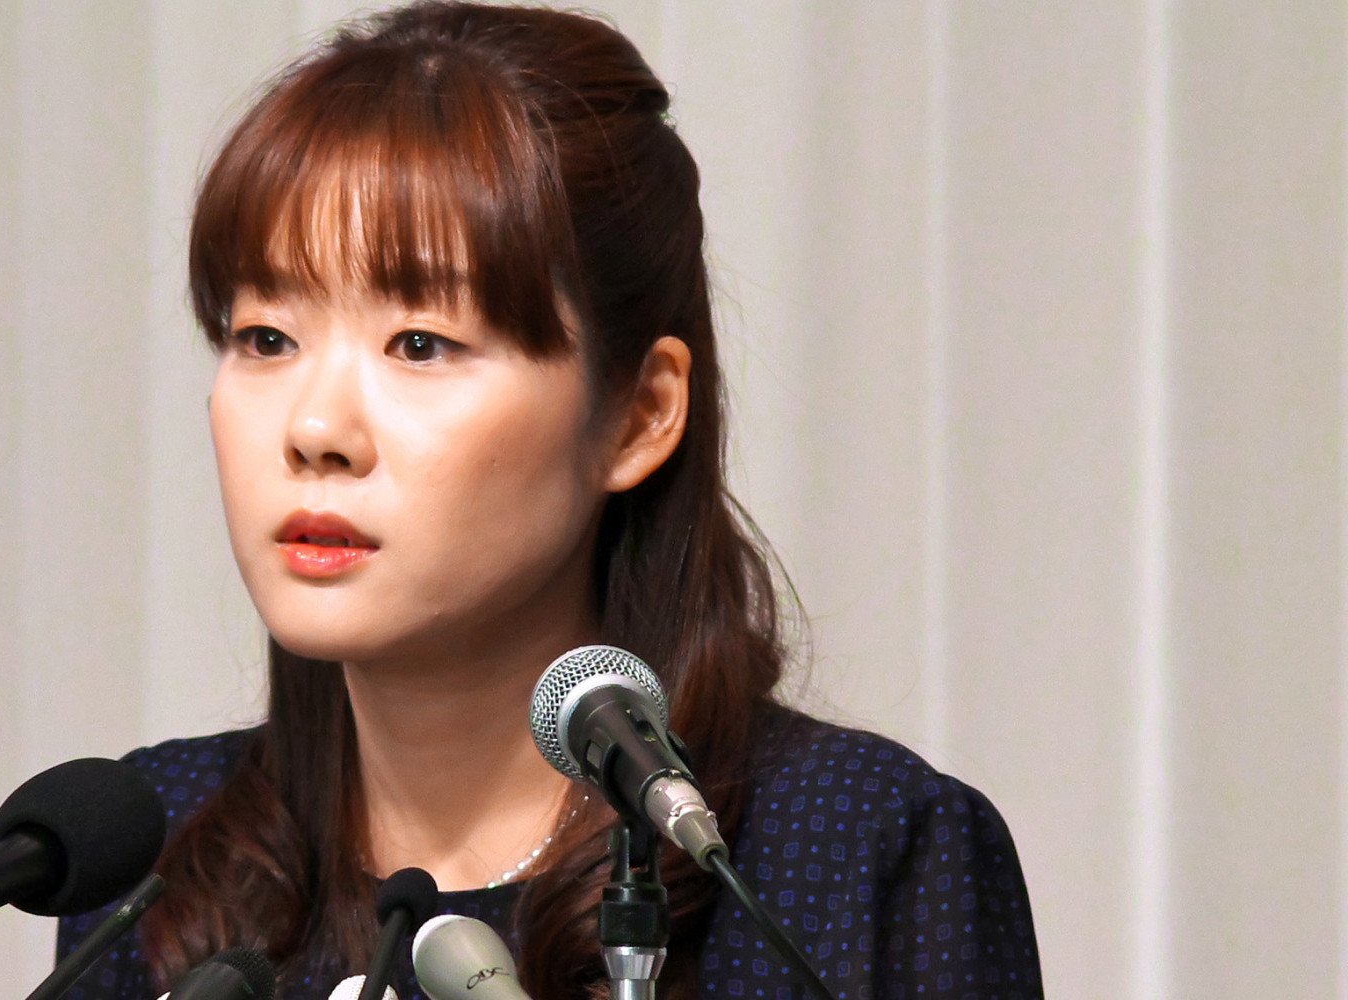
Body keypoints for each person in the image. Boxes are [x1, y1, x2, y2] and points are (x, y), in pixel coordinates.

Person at [56, 3, 1042, 998]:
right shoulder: (150, 855)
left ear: (635, 416)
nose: (314, 430)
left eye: (418, 343)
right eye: (265, 337)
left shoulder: (848, 851)